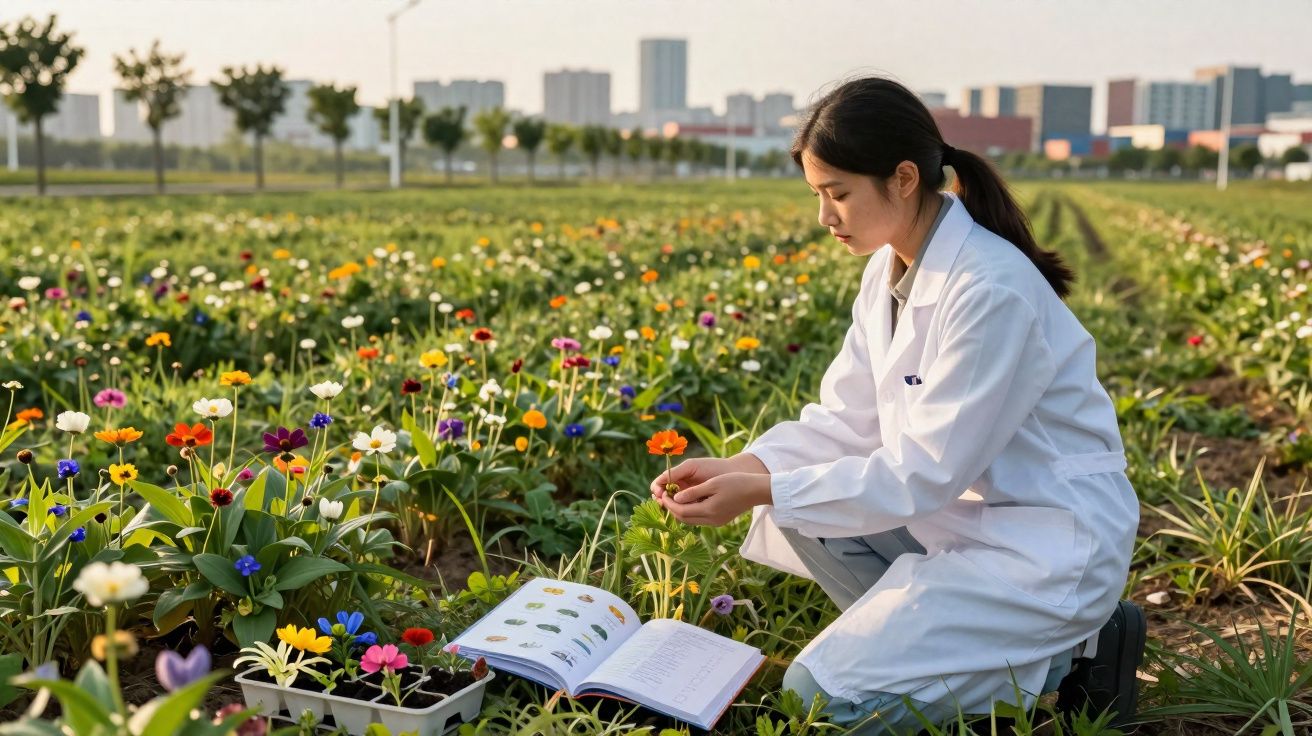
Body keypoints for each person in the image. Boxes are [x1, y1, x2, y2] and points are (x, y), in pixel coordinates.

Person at [650, 76, 1145, 735]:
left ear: (904, 178)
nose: (824, 217)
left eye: (838, 194)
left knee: (816, 700)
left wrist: (764, 485)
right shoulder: (886, 270)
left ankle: (1062, 653)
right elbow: (846, 420)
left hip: (1042, 546)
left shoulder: (991, 289)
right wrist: (745, 467)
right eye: (818, 195)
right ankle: (969, 653)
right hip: (959, 522)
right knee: (800, 506)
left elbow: (924, 471)